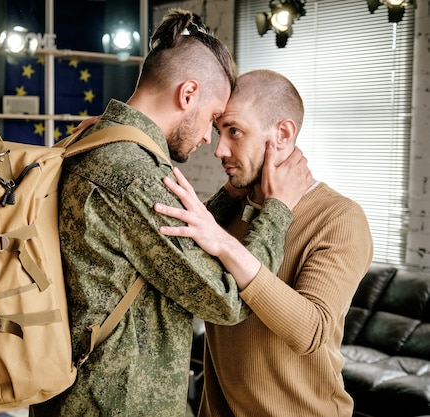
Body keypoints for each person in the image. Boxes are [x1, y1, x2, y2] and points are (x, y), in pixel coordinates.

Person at [31, 9, 315, 417]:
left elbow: (168, 245)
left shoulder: (91, 138)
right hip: (117, 405)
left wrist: (235, 192)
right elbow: (228, 300)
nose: (208, 138)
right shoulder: (137, 178)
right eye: (215, 119)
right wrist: (278, 209)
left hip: (73, 396)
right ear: (187, 94)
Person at [154, 69, 374, 417]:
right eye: (219, 130)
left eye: (235, 132)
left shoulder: (340, 218)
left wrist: (224, 245)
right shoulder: (234, 206)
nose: (220, 149)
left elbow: (311, 331)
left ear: (283, 134)